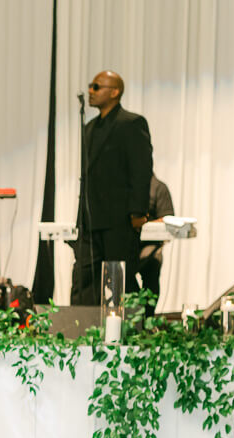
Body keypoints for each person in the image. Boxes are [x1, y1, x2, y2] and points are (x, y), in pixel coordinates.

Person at [72, 70, 153, 306]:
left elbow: (141, 170)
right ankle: (81, 330)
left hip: (118, 220)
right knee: (84, 277)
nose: (91, 91)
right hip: (90, 219)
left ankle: (128, 328)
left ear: (114, 92)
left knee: (120, 280)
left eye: (97, 87)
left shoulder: (131, 123)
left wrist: (138, 212)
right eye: (91, 86)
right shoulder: (89, 128)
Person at [135, 173, 175, 314]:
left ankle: (148, 316)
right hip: (126, 246)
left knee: (152, 267)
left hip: (150, 246)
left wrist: (143, 223)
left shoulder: (159, 188)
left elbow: (167, 218)